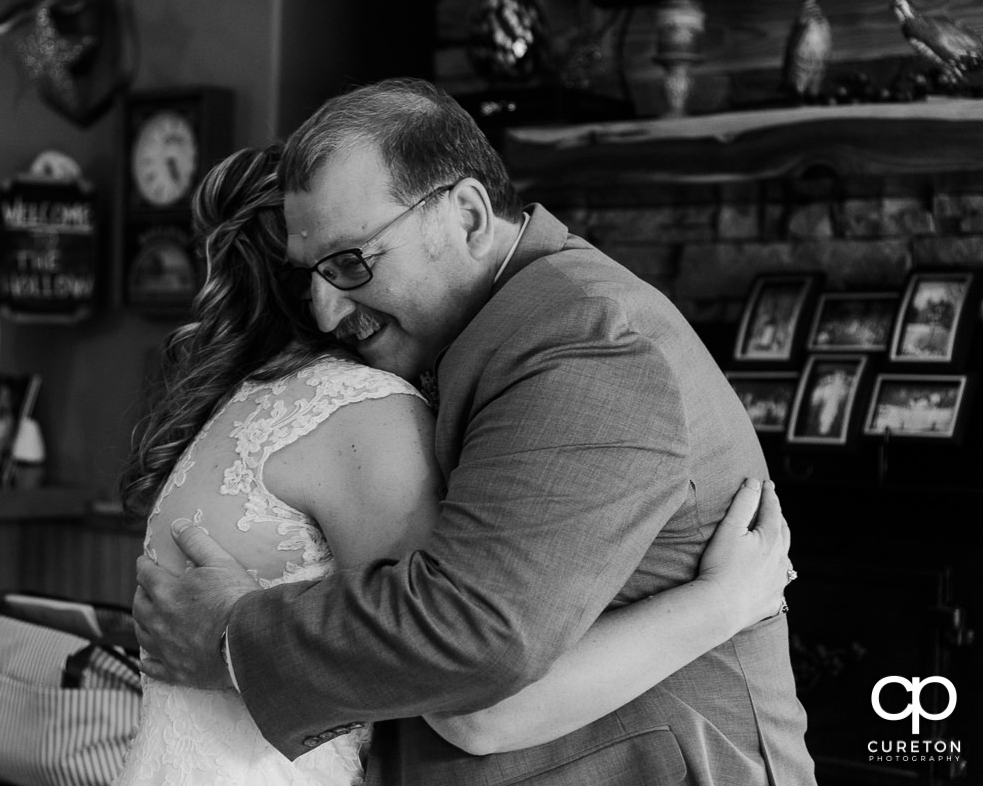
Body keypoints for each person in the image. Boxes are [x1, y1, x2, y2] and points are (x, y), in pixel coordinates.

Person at [132, 77, 815, 785]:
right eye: (311, 277)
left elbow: (475, 640)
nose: (328, 311)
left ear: (466, 216)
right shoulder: (491, 332)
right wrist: (717, 605)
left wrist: (231, 638)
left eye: (350, 263)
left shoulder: (584, 339)